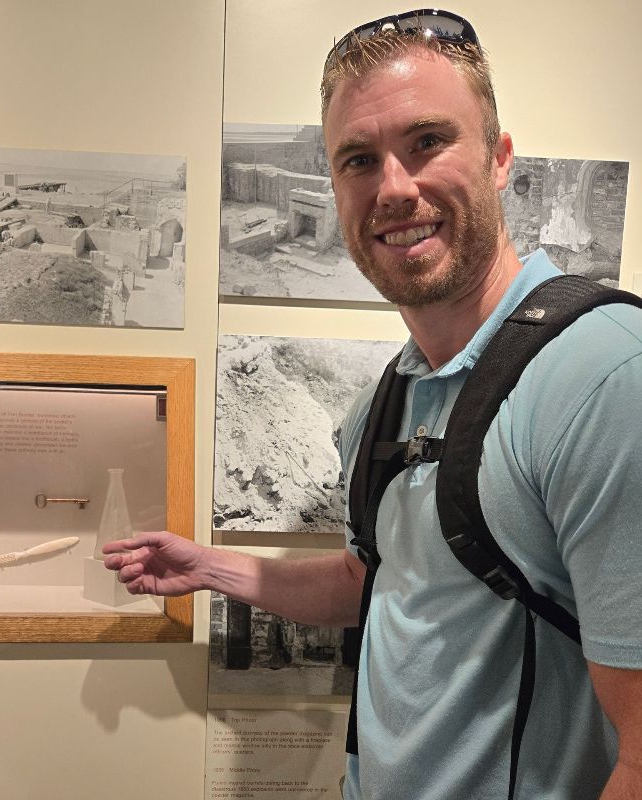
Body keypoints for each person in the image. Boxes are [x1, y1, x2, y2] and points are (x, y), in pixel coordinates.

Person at [104, 10, 642, 799]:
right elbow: (373, 580)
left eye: (427, 142)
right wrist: (211, 566)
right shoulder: (386, 400)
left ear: (498, 159)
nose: (394, 188)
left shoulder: (601, 379)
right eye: (359, 159)